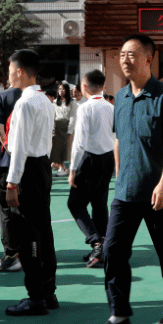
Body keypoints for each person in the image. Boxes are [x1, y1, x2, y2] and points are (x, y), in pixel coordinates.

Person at [89, 34, 163, 324]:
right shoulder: (118, 97)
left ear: (148, 58)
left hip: (157, 192)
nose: (125, 59)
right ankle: (119, 315)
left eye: (131, 54)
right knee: (113, 251)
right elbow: (118, 139)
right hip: (125, 192)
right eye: (121, 55)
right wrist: (119, 173)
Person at [1, 50, 57, 316]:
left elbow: (19, 147)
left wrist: (12, 183)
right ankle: (48, 291)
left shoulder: (25, 103)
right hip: (41, 166)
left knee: (28, 235)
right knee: (43, 232)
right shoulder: (44, 99)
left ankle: (35, 297)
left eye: (10, 69)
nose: (8, 74)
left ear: (20, 71)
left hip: (28, 170)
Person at [67, 70, 115, 268]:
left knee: (76, 204)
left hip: (90, 159)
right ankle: (103, 247)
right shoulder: (111, 107)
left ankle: (96, 242)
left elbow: (79, 142)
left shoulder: (85, 108)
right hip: (108, 158)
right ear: (103, 87)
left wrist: (72, 169)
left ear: (84, 87)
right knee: (99, 203)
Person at [0, 83, 23, 273]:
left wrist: (11, 152)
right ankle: (31, 252)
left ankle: (12, 255)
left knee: (7, 209)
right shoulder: (38, 96)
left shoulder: (2, 96)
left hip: (6, 160)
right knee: (28, 209)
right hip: (32, 162)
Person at [51, 83, 78, 176]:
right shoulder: (54, 102)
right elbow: (53, 116)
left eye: (62, 89)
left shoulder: (72, 102)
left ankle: (72, 169)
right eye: (59, 89)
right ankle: (61, 168)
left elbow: (73, 116)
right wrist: (52, 128)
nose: (60, 91)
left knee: (70, 148)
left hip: (67, 126)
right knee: (59, 149)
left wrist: (70, 130)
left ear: (67, 90)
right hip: (58, 126)